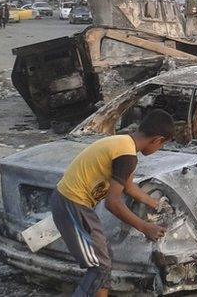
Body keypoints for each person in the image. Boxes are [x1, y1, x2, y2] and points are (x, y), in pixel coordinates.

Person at [51, 110, 173, 297]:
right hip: (72, 203)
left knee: (104, 260)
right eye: (162, 145)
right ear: (157, 140)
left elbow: (129, 188)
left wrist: (155, 204)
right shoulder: (127, 156)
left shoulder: (124, 144)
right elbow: (112, 203)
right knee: (100, 266)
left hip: (75, 203)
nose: (159, 149)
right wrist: (144, 227)